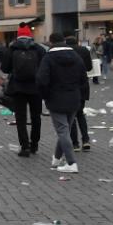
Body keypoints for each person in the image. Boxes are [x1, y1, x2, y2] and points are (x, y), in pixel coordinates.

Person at [37, 33, 87, 173]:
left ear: (51, 42)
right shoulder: (76, 57)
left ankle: (71, 163)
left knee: (63, 131)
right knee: (65, 129)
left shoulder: (48, 58)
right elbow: (84, 79)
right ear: (64, 41)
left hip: (56, 98)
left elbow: (41, 80)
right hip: (74, 98)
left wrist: (45, 95)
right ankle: (57, 158)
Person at [1, 26, 46, 157]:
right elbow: (45, 67)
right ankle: (34, 145)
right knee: (36, 117)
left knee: (21, 118)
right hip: (36, 88)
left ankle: (25, 147)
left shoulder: (12, 48)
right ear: (30, 35)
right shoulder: (39, 48)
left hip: (18, 88)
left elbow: (4, 68)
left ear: (18, 35)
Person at [68, 34, 92, 152]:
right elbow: (89, 67)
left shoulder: (66, 52)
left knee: (71, 116)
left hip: (70, 87)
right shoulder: (84, 50)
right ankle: (86, 140)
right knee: (80, 114)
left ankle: (75, 143)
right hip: (83, 85)